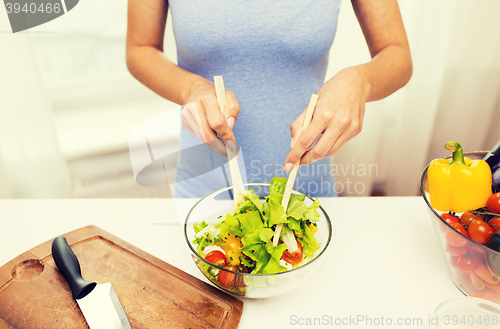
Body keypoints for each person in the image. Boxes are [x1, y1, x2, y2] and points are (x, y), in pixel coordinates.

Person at [126, 0, 412, 198]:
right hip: (204, 192)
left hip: (306, 192)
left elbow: (397, 53)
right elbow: (139, 49)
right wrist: (191, 89)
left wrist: (360, 81)